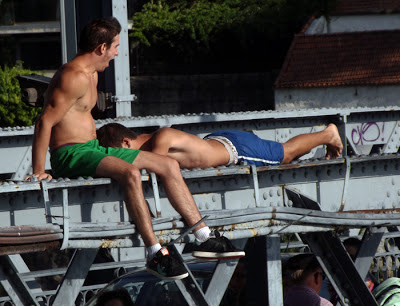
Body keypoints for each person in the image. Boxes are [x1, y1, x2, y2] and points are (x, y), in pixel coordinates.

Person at [25, 16, 244, 281]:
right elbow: (44, 122)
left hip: (92, 148)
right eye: (115, 46)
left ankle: (203, 236)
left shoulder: (92, 73)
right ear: (101, 48)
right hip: (71, 154)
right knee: (130, 173)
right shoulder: (74, 76)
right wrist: (39, 170)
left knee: (167, 164)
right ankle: (154, 253)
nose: (117, 52)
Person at [96, 123, 343, 169]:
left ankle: (327, 134)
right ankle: (318, 140)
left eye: (120, 155)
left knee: (286, 154)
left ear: (126, 142)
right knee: (284, 153)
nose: (123, 161)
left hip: (237, 149)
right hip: (220, 141)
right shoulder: (153, 140)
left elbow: (153, 171)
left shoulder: (161, 139)